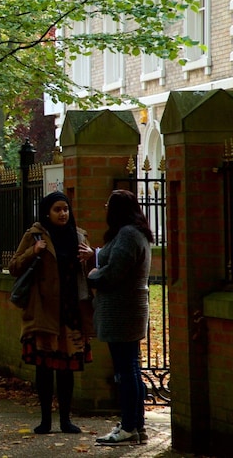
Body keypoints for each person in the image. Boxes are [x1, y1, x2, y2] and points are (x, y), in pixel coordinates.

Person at [9, 191, 94, 434]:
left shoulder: (79, 235)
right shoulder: (35, 235)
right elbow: (14, 266)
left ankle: (65, 420)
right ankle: (45, 420)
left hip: (71, 310)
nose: (63, 214)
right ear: (47, 212)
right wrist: (33, 251)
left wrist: (90, 258)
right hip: (44, 310)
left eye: (65, 209)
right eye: (57, 209)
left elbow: (88, 273)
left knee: (67, 369)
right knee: (44, 368)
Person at [88, 189, 152, 446]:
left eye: (108, 205)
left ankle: (128, 427)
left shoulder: (127, 234)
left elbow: (115, 272)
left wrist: (94, 275)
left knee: (126, 370)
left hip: (122, 311)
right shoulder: (134, 233)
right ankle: (135, 425)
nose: (105, 209)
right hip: (128, 309)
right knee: (130, 367)